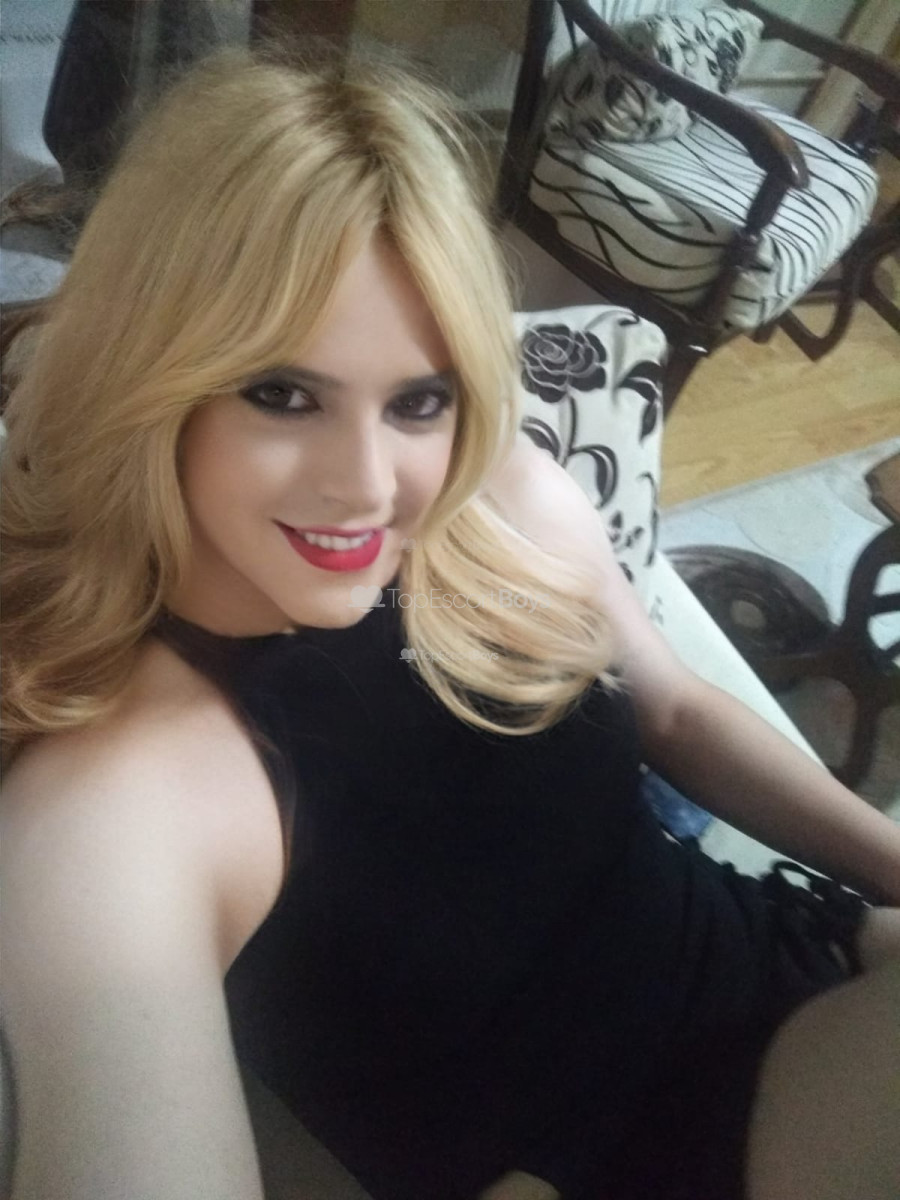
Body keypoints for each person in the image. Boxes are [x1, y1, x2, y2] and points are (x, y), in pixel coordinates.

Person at [1, 39, 899, 1200]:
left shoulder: (498, 502)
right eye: (282, 393)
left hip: (782, 951)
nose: (370, 487)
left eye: (418, 400)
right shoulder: (131, 793)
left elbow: (675, 710)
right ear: (153, 379)